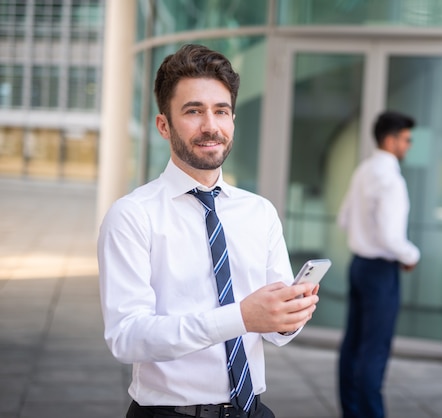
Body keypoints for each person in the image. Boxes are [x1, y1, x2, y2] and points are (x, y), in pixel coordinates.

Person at [97, 44, 319, 418]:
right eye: (193, 111)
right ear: (163, 125)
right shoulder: (132, 216)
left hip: (253, 411)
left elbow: (272, 329)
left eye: (221, 111)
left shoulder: (259, 212)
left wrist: (289, 317)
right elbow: (127, 337)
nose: (210, 126)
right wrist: (241, 317)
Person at [337, 110, 421, 418]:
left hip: (359, 265)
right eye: (406, 139)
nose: (409, 145)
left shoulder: (363, 170)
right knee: (375, 349)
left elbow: (344, 218)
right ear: (390, 139)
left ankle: (351, 411)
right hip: (381, 272)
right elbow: (390, 236)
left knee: (353, 345)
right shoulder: (391, 178)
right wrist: (411, 256)